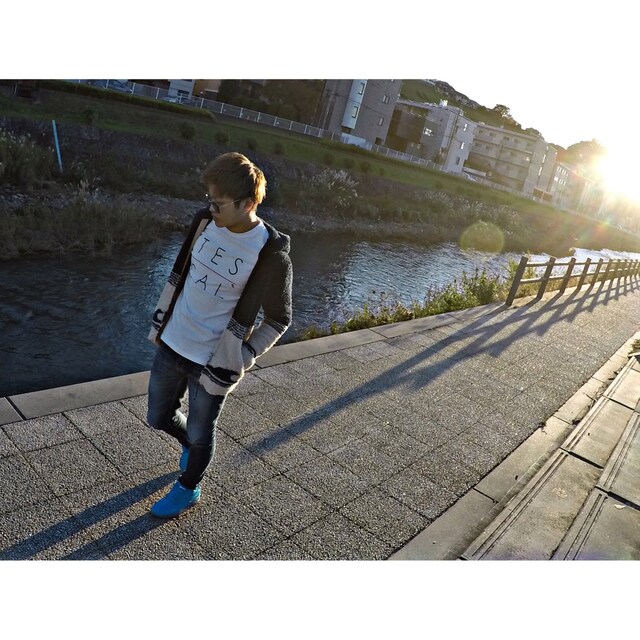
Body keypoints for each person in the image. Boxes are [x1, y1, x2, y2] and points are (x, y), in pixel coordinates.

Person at [146, 152, 293, 518]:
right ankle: (191, 447)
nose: (210, 208)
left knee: (202, 432)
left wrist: (244, 356)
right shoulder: (203, 222)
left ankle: (188, 486)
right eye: (208, 199)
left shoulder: (270, 254)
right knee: (158, 417)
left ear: (247, 204)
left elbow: (279, 319)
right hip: (172, 342)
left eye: (218, 203)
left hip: (212, 362)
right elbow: (181, 274)